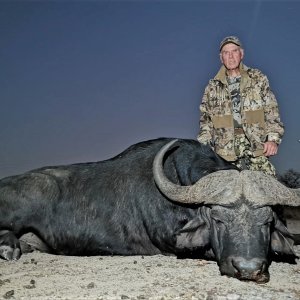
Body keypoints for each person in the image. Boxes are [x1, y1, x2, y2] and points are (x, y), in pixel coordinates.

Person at [197, 36, 284, 176]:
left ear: (241, 54)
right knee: (223, 190)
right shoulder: (212, 87)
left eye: (234, 51)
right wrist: (204, 149)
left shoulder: (257, 78)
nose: (230, 56)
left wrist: (272, 139)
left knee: (267, 187)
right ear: (221, 58)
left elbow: (271, 110)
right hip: (224, 148)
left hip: (256, 143)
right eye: (226, 53)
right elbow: (206, 121)